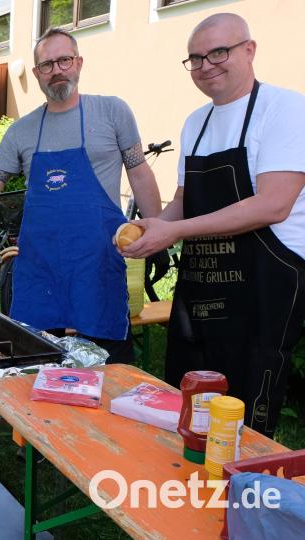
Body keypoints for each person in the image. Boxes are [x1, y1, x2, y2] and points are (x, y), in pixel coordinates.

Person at [123, 13, 305, 438]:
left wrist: (175, 232)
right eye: (196, 58)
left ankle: (244, 475)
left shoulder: (286, 109)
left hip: (264, 284)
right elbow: (183, 202)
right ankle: (182, 471)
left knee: (244, 403)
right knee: (187, 392)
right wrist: (154, 228)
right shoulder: (196, 123)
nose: (206, 66)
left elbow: (273, 205)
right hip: (202, 284)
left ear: (249, 50)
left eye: (218, 52)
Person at [0, 28, 161, 363]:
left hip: (96, 263)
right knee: (36, 359)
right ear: (37, 73)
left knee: (109, 364)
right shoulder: (21, 130)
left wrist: (158, 230)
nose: (57, 70)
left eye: (64, 60)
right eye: (47, 65)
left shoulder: (112, 112)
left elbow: (139, 171)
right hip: (40, 267)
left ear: (78, 62)